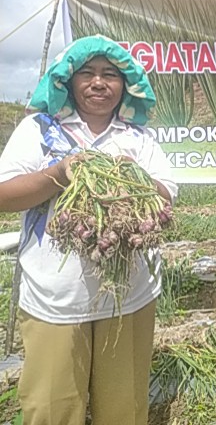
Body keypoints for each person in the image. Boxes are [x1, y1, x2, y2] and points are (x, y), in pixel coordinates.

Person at [0, 35, 177, 425]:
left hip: (128, 297)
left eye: (110, 74)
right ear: (68, 80)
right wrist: (59, 173)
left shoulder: (139, 138)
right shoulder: (38, 130)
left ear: (125, 84)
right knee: (51, 410)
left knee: (124, 410)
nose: (99, 82)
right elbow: (4, 195)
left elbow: (166, 197)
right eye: (88, 73)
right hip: (55, 298)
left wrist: (128, 177)